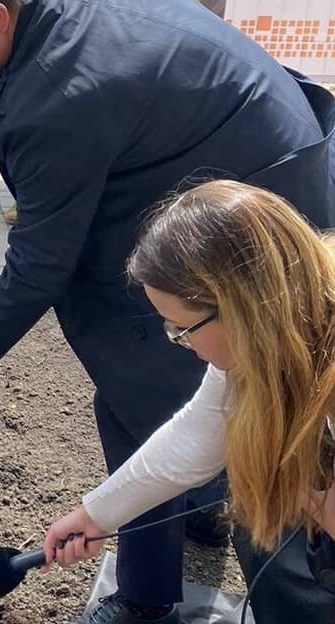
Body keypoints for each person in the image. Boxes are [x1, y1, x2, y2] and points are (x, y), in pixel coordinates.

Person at [0, 0, 335, 622]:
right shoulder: (62, 5)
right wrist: (94, 515)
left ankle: (163, 596)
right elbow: (203, 416)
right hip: (252, 157)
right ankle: (210, 502)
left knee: (148, 387)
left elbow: (42, 261)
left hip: (256, 184)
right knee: (195, 387)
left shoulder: (56, 99)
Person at [42, 180, 335, 619]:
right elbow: (197, 434)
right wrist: (97, 513)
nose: (178, 342)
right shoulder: (277, 331)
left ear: (241, 307)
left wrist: (311, 497)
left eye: (181, 328)